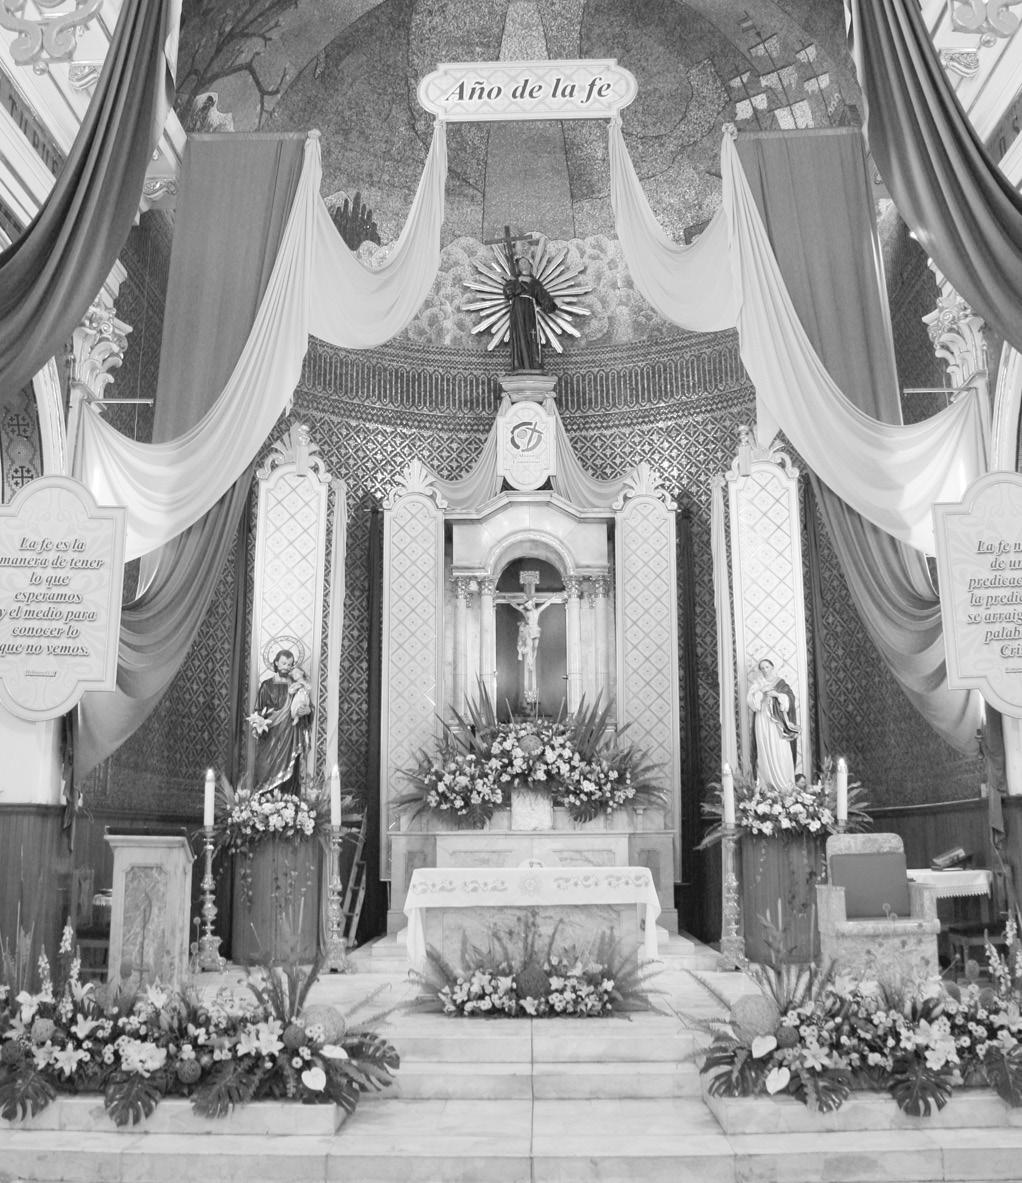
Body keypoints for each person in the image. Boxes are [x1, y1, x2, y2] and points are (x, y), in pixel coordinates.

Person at [248, 649, 312, 794]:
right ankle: (264, 801)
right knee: (265, 767)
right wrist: (258, 723)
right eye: (283, 663)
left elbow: (306, 704)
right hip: (271, 736)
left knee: (290, 771)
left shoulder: (297, 685)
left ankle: (288, 802)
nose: (286, 667)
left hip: (291, 736)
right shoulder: (267, 685)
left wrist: (308, 711)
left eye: (290, 664)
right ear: (276, 663)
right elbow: (258, 710)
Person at [747, 658, 799, 792]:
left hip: (777, 721)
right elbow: (751, 702)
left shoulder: (780, 683)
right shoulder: (757, 684)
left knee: (780, 746)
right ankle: (766, 785)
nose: (765, 670)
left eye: (767, 667)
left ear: (772, 667)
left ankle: (784, 784)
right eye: (762, 668)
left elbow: (790, 699)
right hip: (762, 719)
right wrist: (759, 694)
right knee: (764, 747)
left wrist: (777, 695)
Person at [503, 254, 557, 372]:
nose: (523, 264)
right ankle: (518, 365)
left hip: (529, 311)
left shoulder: (535, 283)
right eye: (520, 263)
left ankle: (533, 364)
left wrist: (554, 304)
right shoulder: (514, 281)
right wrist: (518, 281)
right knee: (518, 335)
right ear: (518, 267)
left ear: (530, 265)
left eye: (525, 262)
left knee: (531, 335)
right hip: (517, 310)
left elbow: (543, 297)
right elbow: (507, 293)